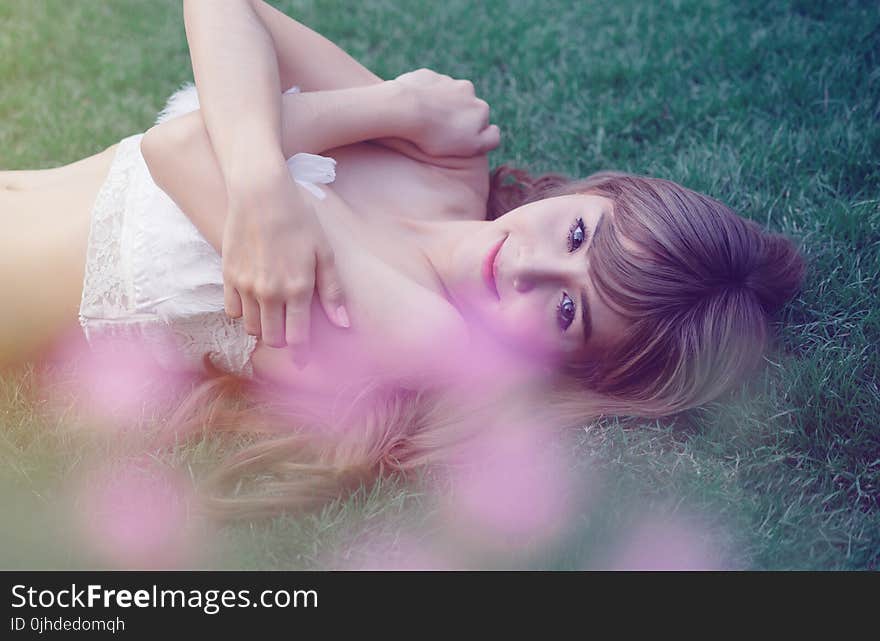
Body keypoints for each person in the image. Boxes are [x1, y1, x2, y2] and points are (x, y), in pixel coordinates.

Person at [0, 1, 804, 518]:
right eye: (579, 237)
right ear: (601, 193)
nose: (530, 268)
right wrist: (392, 106)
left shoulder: (420, 339)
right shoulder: (443, 165)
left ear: (574, 368)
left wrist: (371, 117)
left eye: (567, 311)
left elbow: (179, 146)